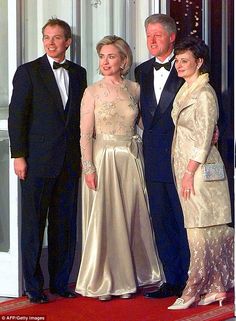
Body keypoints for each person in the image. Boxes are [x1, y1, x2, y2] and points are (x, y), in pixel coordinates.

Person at [75, 35, 165, 301]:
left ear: (124, 60)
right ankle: (105, 281)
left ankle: (131, 278)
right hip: (103, 159)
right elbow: (84, 134)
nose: (105, 61)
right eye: (102, 56)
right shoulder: (91, 91)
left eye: (111, 56)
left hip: (131, 158)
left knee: (132, 216)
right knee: (107, 220)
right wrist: (88, 167)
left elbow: (144, 124)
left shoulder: (135, 89)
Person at [8, 18, 87, 303]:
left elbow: (80, 120)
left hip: (68, 162)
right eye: (46, 37)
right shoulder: (28, 72)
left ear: (68, 42)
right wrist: (18, 156)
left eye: (57, 38)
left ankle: (60, 283)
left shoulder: (79, 73)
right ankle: (33, 287)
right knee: (33, 225)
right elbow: (17, 117)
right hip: (36, 162)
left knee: (63, 225)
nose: (51, 43)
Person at [168, 36, 234, 310]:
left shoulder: (204, 94)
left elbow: (205, 136)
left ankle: (192, 289)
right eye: (177, 61)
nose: (179, 65)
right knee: (207, 230)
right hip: (192, 167)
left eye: (185, 61)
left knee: (199, 231)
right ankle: (217, 287)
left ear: (199, 62)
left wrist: (188, 172)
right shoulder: (187, 89)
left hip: (199, 170)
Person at [135, 14, 190, 298]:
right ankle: (172, 280)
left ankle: (192, 279)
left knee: (184, 220)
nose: (152, 40)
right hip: (153, 155)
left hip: (181, 156)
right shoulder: (141, 71)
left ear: (171, 37)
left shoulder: (185, 67)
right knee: (161, 219)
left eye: (157, 35)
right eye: (148, 35)